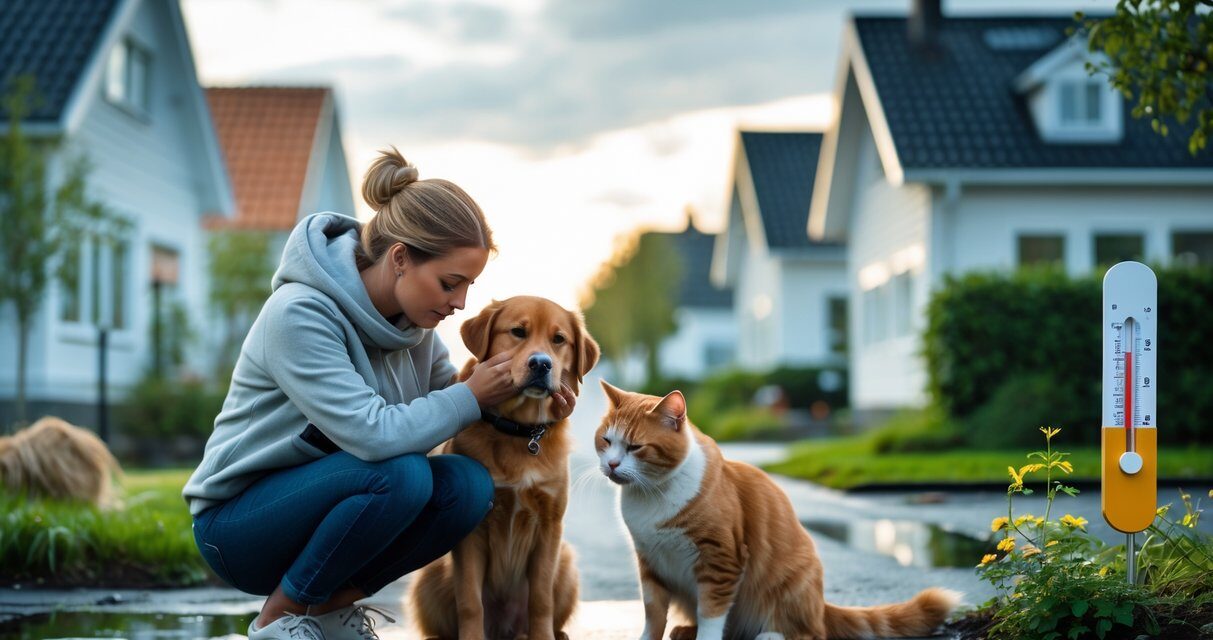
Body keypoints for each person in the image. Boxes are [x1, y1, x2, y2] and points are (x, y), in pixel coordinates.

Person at [183, 148, 577, 640]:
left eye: (469, 286)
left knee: (467, 486)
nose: (460, 303)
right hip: (239, 527)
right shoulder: (300, 314)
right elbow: (375, 435)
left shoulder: (417, 328)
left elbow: (452, 410)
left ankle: (326, 610)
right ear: (399, 259)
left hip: (324, 512)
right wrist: (473, 393)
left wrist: (533, 403)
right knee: (404, 475)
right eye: (450, 283)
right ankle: (278, 619)